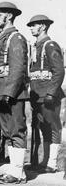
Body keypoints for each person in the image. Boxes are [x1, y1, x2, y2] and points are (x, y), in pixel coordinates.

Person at [0, 2, 29, 184]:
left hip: (11, 94)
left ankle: (18, 172)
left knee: (16, 131)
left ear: (9, 16)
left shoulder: (15, 37)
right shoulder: (1, 37)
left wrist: (9, 93)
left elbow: (18, 68)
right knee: (7, 131)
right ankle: (14, 170)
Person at [27, 15, 65, 173]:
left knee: (53, 128)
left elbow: (59, 71)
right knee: (43, 128)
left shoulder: (50, 45)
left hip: (49, 95)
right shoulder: (36, 46)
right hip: (37, 95)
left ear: (42, 26)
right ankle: (44, 162)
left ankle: (52, 163)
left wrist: (51, 92)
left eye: (33, 25)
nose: (30, 28)